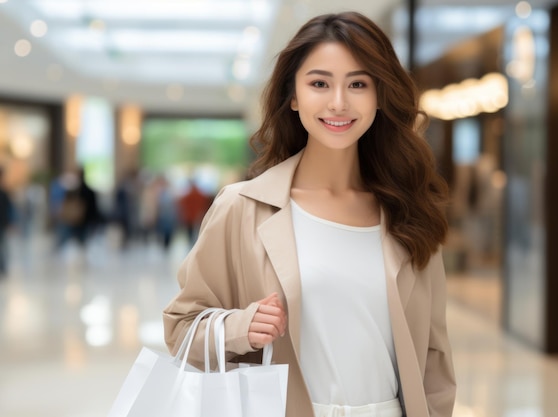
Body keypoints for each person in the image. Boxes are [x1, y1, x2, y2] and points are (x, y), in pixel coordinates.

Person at [163, 11, 455, 417]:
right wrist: (240, 327)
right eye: (320, 83)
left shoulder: (408, 212)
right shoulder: (242, 207)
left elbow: (434, 358)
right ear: (294, 96)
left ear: (378, 96)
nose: (339, 102)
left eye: (358, 84)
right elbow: (180, 326)